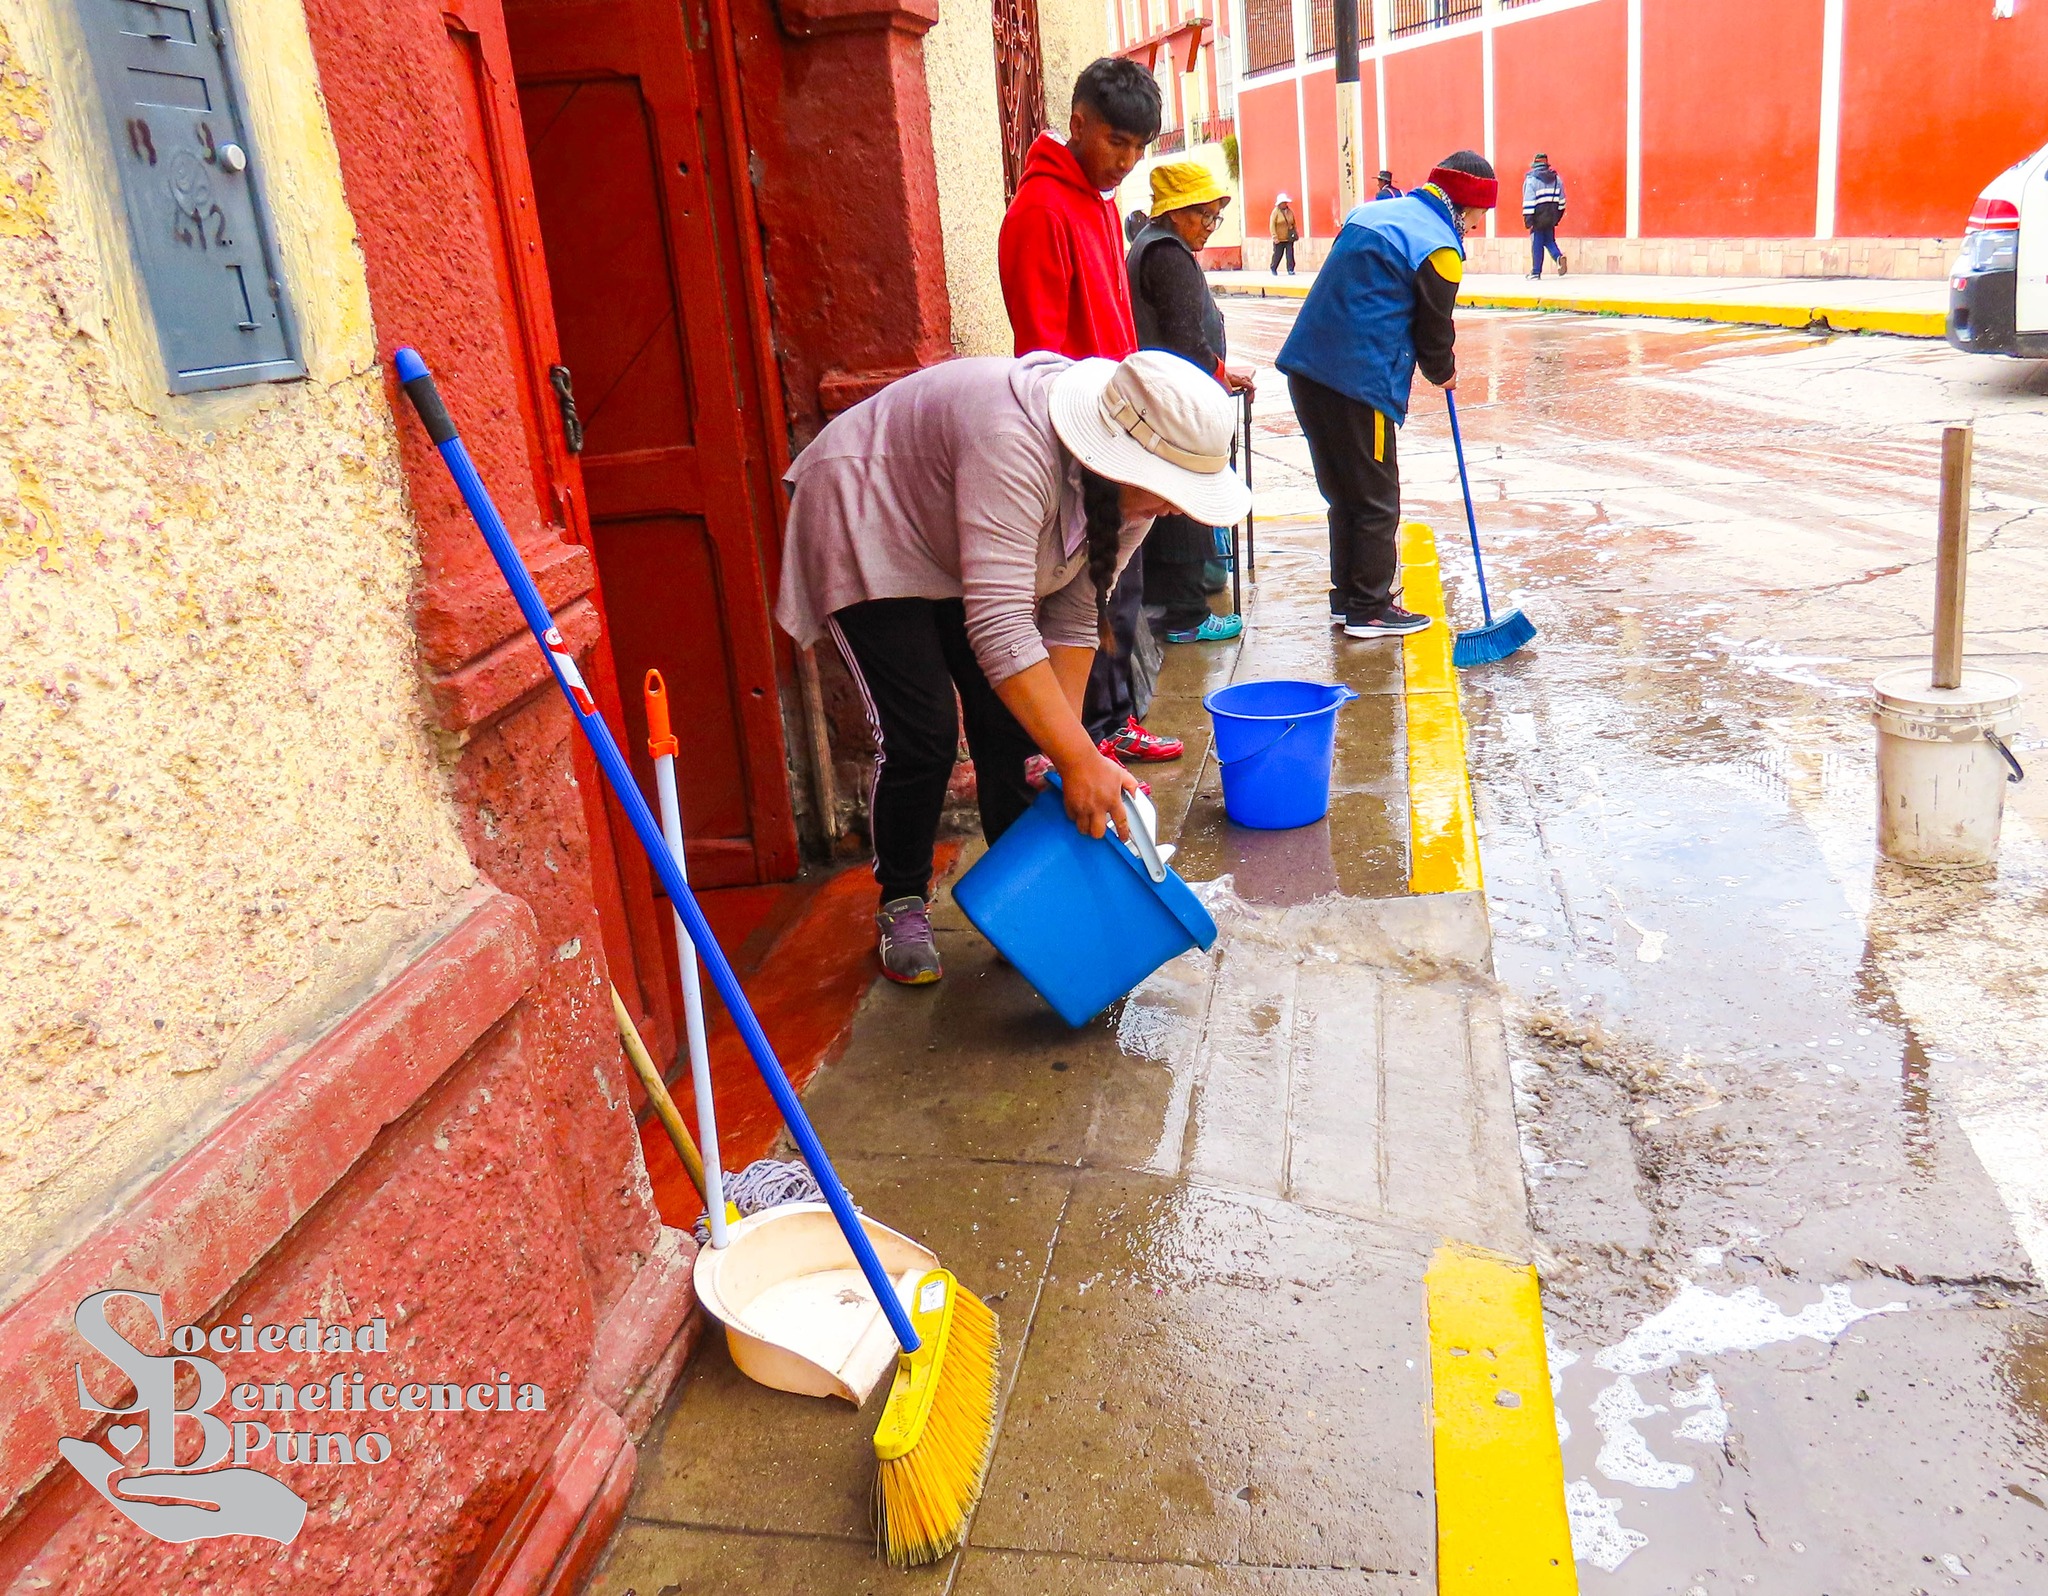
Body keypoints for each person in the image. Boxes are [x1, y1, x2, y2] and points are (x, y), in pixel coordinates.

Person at [775, 351, 1249, 984]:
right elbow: (1000, 627)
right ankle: (903, 901)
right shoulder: (1013, 444)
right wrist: (1081, 761)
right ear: (1118, 459)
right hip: (869, 512)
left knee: (1021, 733)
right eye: (1170, 491)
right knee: (924, 732)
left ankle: (1025, 898)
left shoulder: (1133, 501)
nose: (1175, 510)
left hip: (950, 530)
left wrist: (1067, 748)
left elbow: (1076, 620)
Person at [998, 57, 1182, 767]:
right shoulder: (1041, 210)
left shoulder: (1100, 202)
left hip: (1118, 428)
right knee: (1090, 591)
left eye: (1139, 150)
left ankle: (1112, 720)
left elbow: (1115, 328)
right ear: (1078, 123)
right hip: (1078, 439)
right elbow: (1040, 354)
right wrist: (1078, 447)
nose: (1126, 163)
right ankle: (1094, 733)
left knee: (1120, 584)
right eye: (1115, 143)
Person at [1275, 150, 1497, 638]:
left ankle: (1348, 597)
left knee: (1344, 493)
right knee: (1376, 497)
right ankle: (1370, 609)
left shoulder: (1370, 213)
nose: (1478, 226)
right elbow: (1434, 329)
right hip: (1358, 382)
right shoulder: (1439, 245)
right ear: (1463, 205)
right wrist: (1445, 373)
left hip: (1307, 370)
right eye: (1480, 214)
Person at [1127, 159, 1253, 644]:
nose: (1208, 225)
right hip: (1174, 399)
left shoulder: (1155, 246)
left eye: (1214, 216)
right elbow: (1185, 340)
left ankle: (1174, 604)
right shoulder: (1168, 255)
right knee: (1181, 502)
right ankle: (1187, 615)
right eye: (1203, 214)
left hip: (1163, 395)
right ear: (1175, 212)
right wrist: (1223, 375)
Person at [1523, 153, 1567, 278]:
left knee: (1536, 243)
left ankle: (1536, 272)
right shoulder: (1557, 179)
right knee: (1549, 240)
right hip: (1551, 216)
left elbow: (1529, 202)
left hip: (1537, 217)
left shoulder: (1531, 180)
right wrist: (1557, 217)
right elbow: (1562, 201)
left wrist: (1528, 220)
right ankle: (1558, 257)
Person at [1268, 192, 1298, 275]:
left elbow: (1293, 222)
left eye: (1285, 202)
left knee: (1290, 254)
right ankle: (1273, 268)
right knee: (1278, 254)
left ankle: (1290, 269)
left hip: (1288, 237)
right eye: (1283, 202)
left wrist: (1294, 232)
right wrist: (1274, 236)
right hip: (1279, 239)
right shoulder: (1275, 212)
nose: (1285, 204)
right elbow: (1272, 225)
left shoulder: (1290, 211)